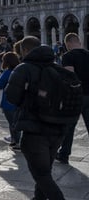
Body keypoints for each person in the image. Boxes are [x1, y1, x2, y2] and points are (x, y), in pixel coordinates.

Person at [6, 36, 69, 200]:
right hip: (58, 129)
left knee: (41, 175)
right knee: (44, 171)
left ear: (25, 50)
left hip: (35, 130)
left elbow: (11, 96)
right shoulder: (57, 67)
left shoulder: (23, 68)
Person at [56, 32, 89, 164]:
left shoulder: (68, 56)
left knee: (69, 126)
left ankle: (64, 154)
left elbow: (70, 76)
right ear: (79, 42)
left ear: (68, 44)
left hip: (76, 96)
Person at [0, 51, 21, 150]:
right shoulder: (20, 70)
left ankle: (16, 141)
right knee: (16, 121)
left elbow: (0, 85)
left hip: (8, 101)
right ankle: (15, 140)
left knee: (12, 123)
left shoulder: (7, 73)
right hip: (19, 101)